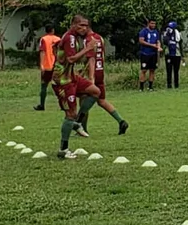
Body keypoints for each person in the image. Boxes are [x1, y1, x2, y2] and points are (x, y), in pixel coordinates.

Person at [51, 15, 105, 159]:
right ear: (73, 25)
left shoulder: (74, 38)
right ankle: (63, 149)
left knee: (95, 92)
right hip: (62, 81)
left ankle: (77, 122)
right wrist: (88, 48)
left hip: (71, 76)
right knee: (69, 114)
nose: (84, 28)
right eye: (81, 25)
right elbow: (70, 58)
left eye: (86, 26)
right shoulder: (70, 38)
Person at [75, 26, 129, 137]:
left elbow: (91, 59)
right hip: (100, 71)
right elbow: (101, 56)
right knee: (101, 100)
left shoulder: (88, 40)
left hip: (93, 74)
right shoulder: (99, 38)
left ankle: (81, 126)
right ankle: (121, 121)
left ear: (86, 27)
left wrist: (90, 77)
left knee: (83, 99)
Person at [34, 26, 61, 111]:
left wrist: (41, 65)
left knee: (44, 86)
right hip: (57, 66)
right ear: (53, 30)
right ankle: (63, 105)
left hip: (47, 66)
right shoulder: (58, 39)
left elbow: (42, 51)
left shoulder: (44, 39)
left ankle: (42, 105)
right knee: (59, 86)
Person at [138, 19, 162, 91]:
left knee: (152, 70)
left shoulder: (156, 32)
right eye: (152, 23)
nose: (153, 25)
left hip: (153, 54)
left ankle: (150, 87)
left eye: (154, 24)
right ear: (148, 23)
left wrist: (159, 47)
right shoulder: (143, 31)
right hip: (145, 53)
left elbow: (158, 41)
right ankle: (141, 87)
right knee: (144, 70)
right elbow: (141, 41)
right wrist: (152, 45)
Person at [163, 21, 183, 89]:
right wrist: (168, 34)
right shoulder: (166, 33)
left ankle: (176, 85)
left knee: (176, 70)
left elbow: (180, 44)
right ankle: (169, 85)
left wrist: (182, 55)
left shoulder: (178, 33)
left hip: (177, 54)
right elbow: (165, 42)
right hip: (168, 54)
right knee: (168, 70)